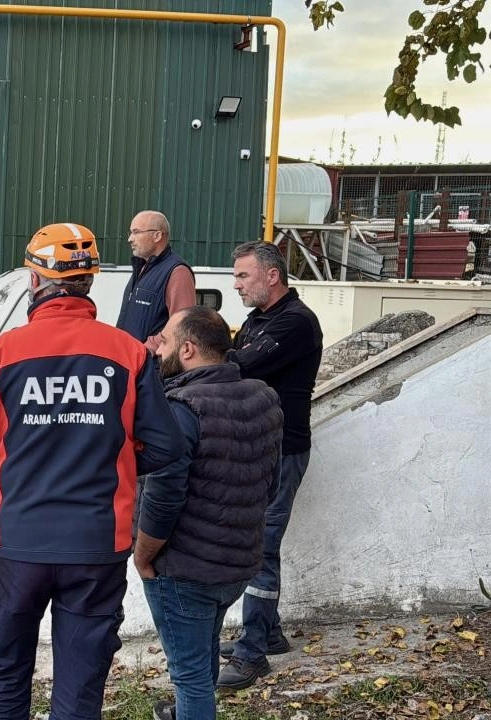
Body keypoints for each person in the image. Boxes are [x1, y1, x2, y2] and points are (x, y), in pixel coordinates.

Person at [0, 222, 184, 720]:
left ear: (35, 281)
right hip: (97, 542)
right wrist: (109, 457)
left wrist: (24, 450)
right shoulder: (129, 353)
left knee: (5, 669)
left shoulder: (2, 353)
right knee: (80, 683)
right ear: (91, 283)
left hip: (18, 538)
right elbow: (166, 446)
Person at [133, 306, 283, 720]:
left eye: (162, 341)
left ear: (187, 349)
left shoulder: (180, 408)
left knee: (191, 676)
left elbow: (163, 498)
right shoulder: (264, 397)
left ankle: (191, 710)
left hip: (183, 571)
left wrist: (143, 555)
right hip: (237, 565)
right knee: (203, 658)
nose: (154, 347)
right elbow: (270, 484)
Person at [216, 240, 324, 690]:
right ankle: (270, 632)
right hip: (260, 446)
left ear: (272, 276)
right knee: (257, 543)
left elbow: (237, 366)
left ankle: (252, 653)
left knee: (261, 549)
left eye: (243, 276)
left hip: (283, 449)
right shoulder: (261, 319)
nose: (236, 284)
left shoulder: (295, 323)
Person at [115, 210, 196, 350]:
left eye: (136, 232)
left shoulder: (177, 272)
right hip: (130, 360)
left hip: (152, 366)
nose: (130, 239)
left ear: (157, 235)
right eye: (131, 233)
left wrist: (146, 349)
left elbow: (182, 325)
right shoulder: (141, 267)